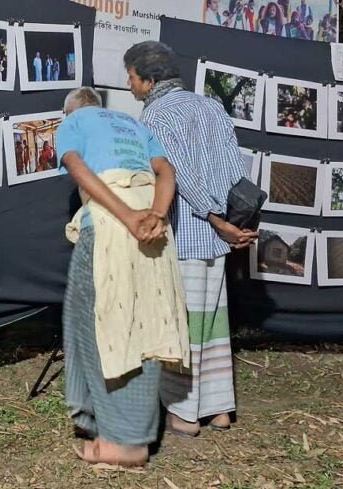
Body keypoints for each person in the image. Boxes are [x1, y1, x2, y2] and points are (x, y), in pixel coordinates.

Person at [124, 40, 257, 439]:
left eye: (131, 78)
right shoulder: (211, 107)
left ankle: (184, 413)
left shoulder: (155, 116)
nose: (129, 85)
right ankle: (218, 409)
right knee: (212, 323)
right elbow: (235, 170)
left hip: (186, 236)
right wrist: (235, 224)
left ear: (149, 81)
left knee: (181, 324)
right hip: (219, 238)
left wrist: (216, 220)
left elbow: (178, 177)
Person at [56, 86, 189, 467]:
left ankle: (123, 443)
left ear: (70, 112)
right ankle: (108, 423)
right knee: (145, 325)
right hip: (154, 227)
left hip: (112, 224)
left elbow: (76, 166)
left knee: (100, 325)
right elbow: (167, 171)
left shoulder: (73, 122)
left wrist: (127, 216)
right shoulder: (133, 123)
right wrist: (156, 215)